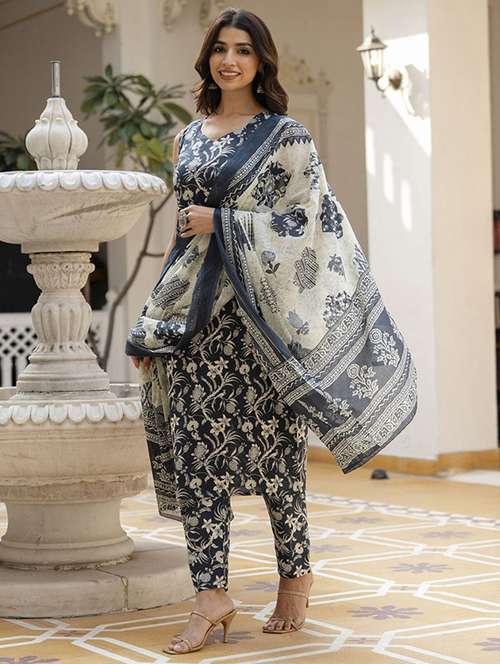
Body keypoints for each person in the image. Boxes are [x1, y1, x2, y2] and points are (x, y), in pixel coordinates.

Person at [126, 6, 417, 656]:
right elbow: (182, 236)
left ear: (261, 61)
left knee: (277, 459)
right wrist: (152, 323)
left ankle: (295, 574)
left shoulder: (287, 137)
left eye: (243, 50)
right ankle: (211, 596)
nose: (230, 60)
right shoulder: (189, 137)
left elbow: (308, 224)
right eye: (221, 49)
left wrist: (224, 222)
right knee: (196, 457)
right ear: (207, 58)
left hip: (264, 329)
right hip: (198, 325)